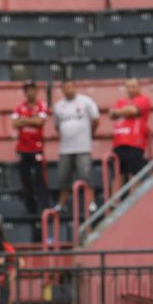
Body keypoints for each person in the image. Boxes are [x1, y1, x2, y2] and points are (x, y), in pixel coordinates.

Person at [52, 79, 99, 213]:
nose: (69, 90)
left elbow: (95, 120)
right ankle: (62, 204)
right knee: (63, 177)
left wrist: (89, 134)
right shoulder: (58, 106)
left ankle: (91, 203)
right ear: (62, 89)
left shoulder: (86, 102)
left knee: (86, 175)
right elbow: (57, 125)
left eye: (71, 87)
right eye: (66, 87)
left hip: (83, 147)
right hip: (65, 149)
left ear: (75, 87)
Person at [13, 79, 50, 216]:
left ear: (36, 91)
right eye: (28, 89)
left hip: (37, 148)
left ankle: (44, 207)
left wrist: (23, 120)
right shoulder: (19, 107)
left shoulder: (42, 105)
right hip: (23, 149)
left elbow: (40, 122)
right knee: (25, 179)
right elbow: (14, 124)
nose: (30, 92)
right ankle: (30, 208)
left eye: (32, 89)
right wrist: (31, 120)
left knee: (40, 178)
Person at [109, 78, 152, 186]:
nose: (131, 89)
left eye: (133, 86)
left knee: (134, 174)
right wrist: (121, 112)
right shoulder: (120, 101)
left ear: (139, 87)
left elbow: (133, 111)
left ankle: (135, 201)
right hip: (119, 142)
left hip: (135, 143)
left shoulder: (143, 99)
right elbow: (111, 115)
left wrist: (118, 112)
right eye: (128, 87)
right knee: (117, 175)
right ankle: (115, 202)